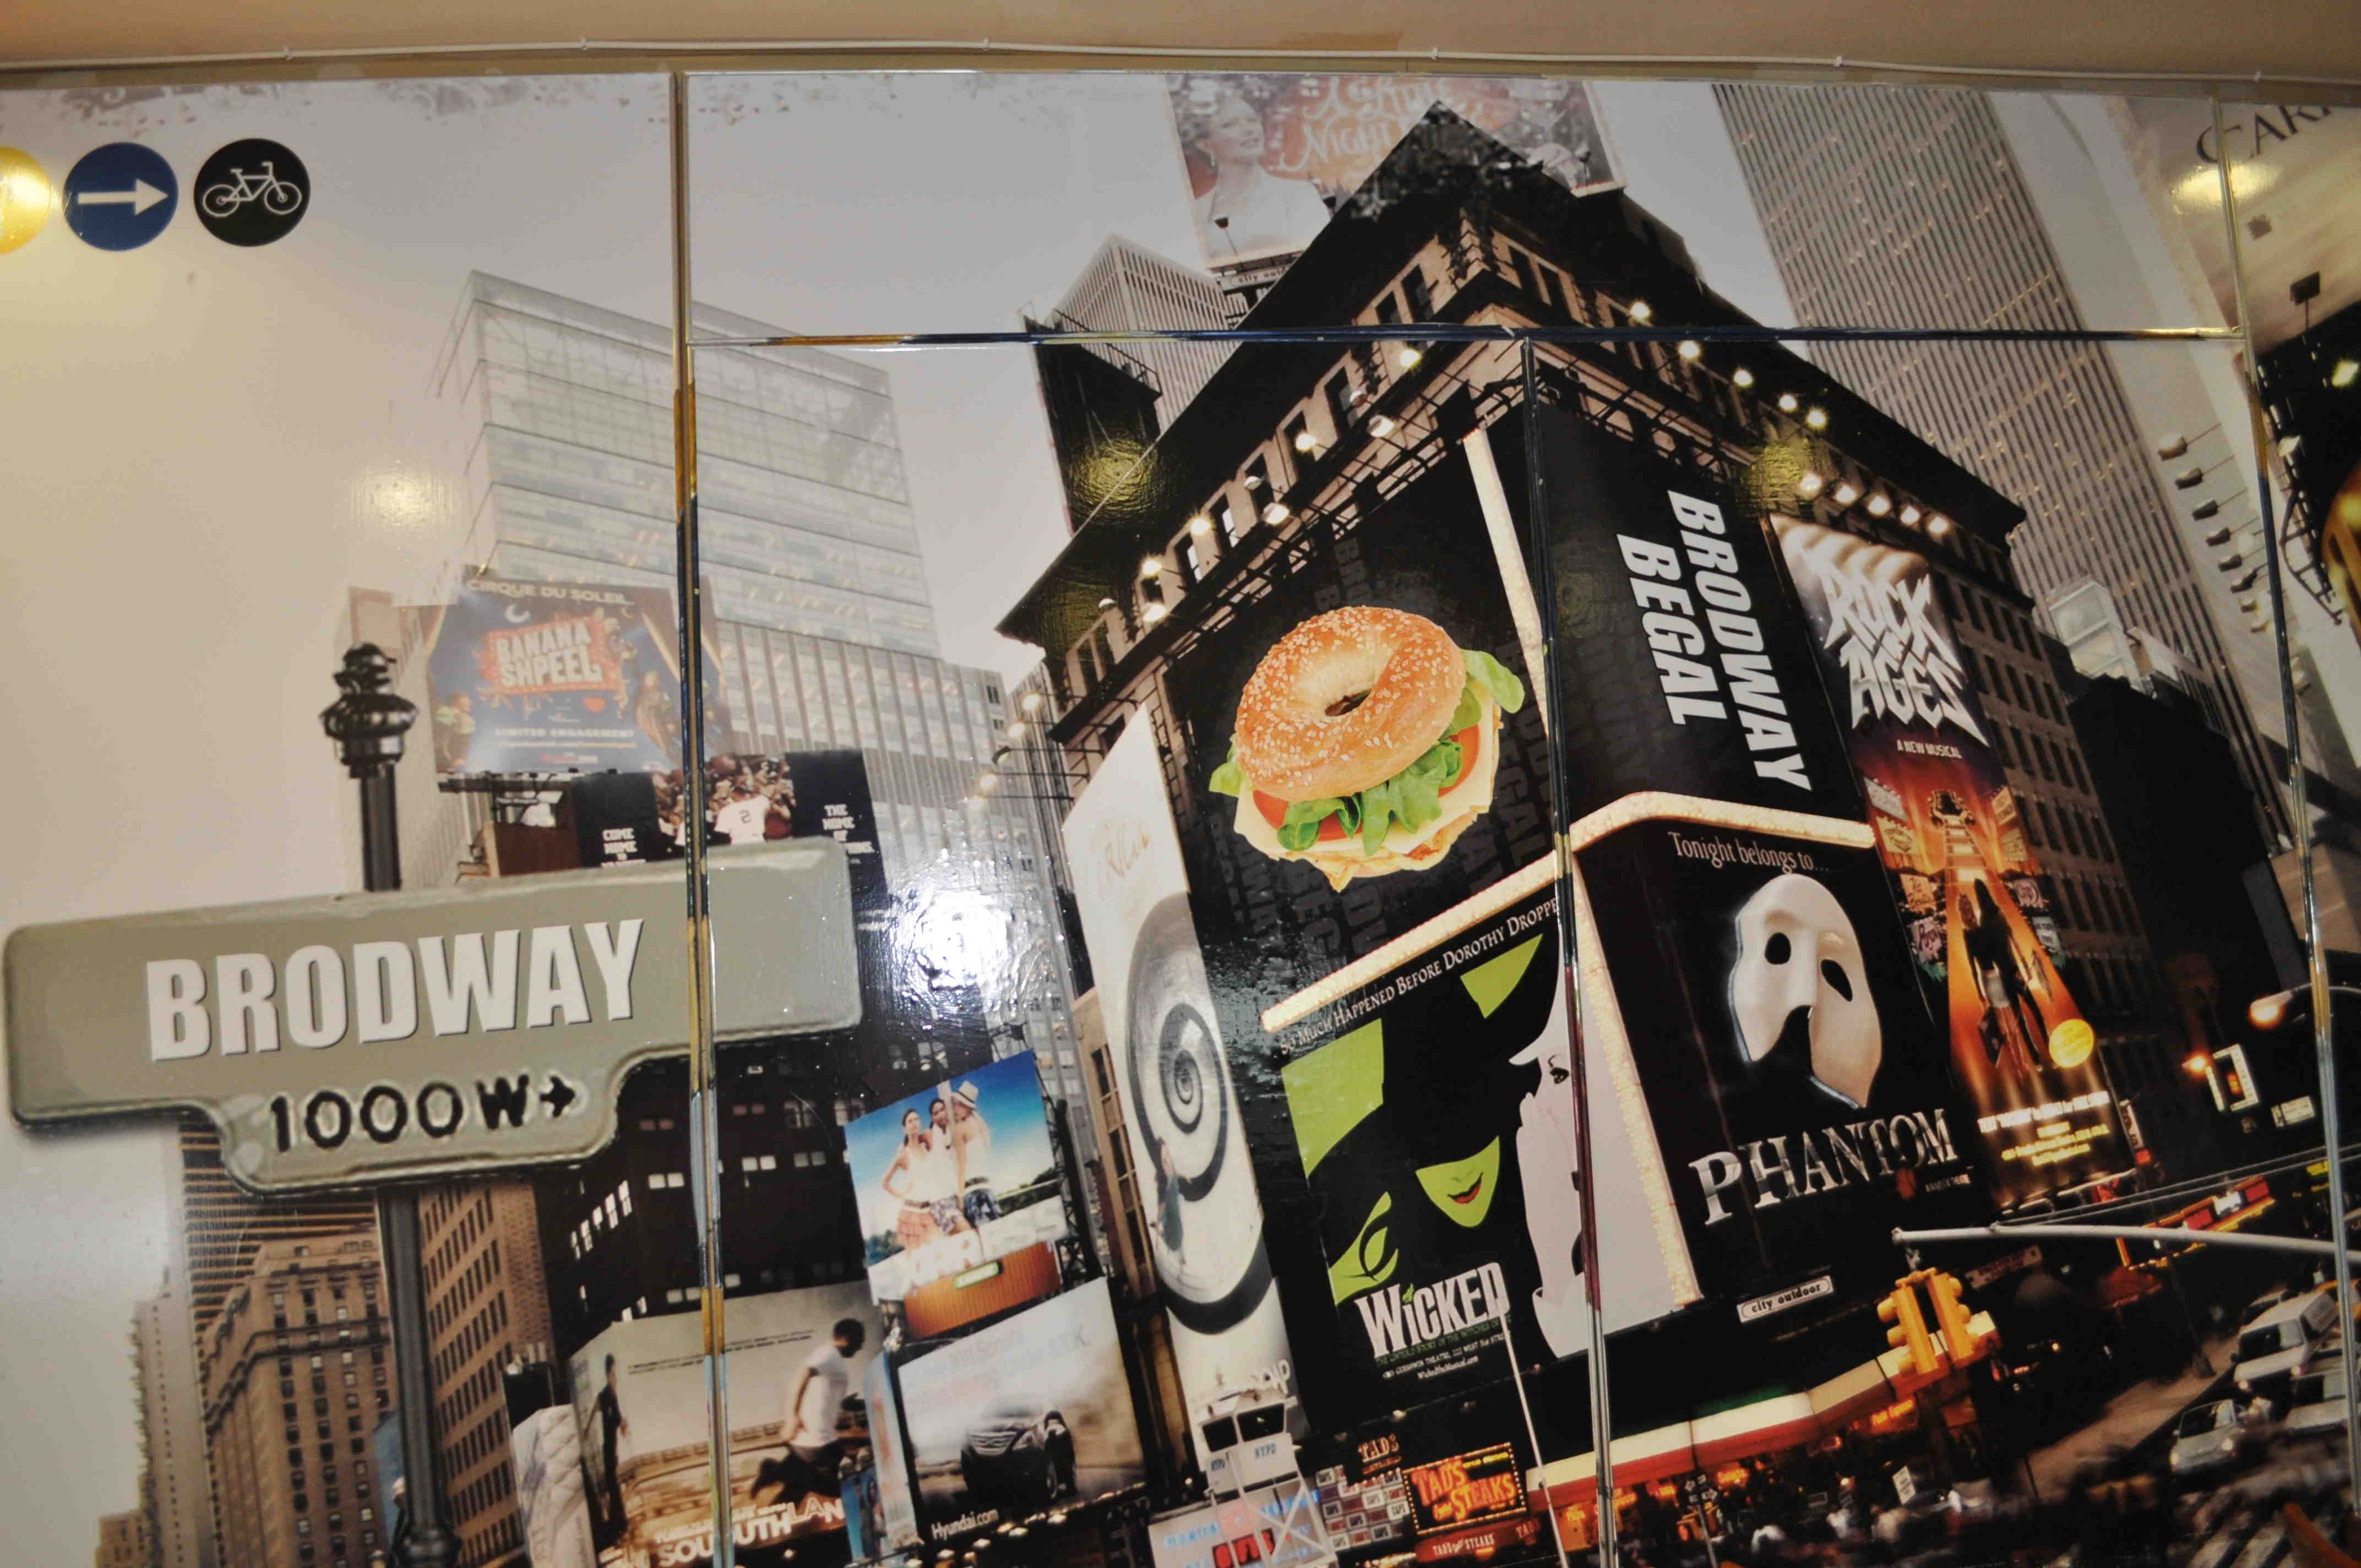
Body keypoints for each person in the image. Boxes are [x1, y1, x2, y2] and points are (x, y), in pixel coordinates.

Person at [1187, 88, 1334, 262]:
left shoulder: (1298, 194)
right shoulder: (1197, 212)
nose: (1248, 130)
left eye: (1252, 120)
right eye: (1230, 124)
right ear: (1206, 145)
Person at [777, 1319, 867, 1494]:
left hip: (820, 1440)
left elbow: (824, 1395)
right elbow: (800, 1376)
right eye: (860, 1341)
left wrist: (848, 1403)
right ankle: (778, 1472)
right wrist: (791, 1417)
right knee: (846, 1488)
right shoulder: (828, 1354)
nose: (861, 1347)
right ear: (847, 1338)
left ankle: (781, 1472)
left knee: (803, 1490)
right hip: (814, 1442)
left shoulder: (834, 1358)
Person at [880, 1108, 946, 1254]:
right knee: (918, 1255)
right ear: (905, 1128)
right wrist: (904, 1196)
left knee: (940, 1249)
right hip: (912, 1212)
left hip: (930, 1208)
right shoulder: (903, 1154)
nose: (914, 1123)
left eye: (917, 1119)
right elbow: (884, 1183)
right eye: (910, 1121)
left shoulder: (925, 1146)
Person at [950, 1080, 998, 1231]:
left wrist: (960, 1197)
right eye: (955, 1104)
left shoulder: (960, 1129)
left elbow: (962, 1165)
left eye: (958, 1104)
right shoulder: (981, 1125)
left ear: (966, 1106)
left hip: (972, 1191)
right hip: (988, 1188)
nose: (955, 1108)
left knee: (981, 1238)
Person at [592, 1354, 628, 1533]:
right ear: (608, 1375)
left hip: (610, 1447)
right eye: (613, 1374)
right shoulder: (608, 1394)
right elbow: (612, 1419)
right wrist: (622, 1424)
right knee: (613, 1483)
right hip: (608, 1448)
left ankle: (618, 1520)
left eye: (616, 1374)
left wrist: (622, 1423)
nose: (616, 1378)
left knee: (613, 1483)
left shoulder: (608, 1394)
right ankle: (618, 1521)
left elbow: (613, 1416)